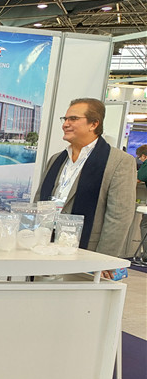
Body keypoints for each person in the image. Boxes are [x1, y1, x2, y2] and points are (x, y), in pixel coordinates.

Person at [37, 98, 135, 268]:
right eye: (65, 119)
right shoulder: (56, 159)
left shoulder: (119, 161)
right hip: (45, 249)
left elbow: (119, 217)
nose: (65, 124)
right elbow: (39, 202)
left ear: (94, 124)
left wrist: (104, 261)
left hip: (87, 252)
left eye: (73, 119)